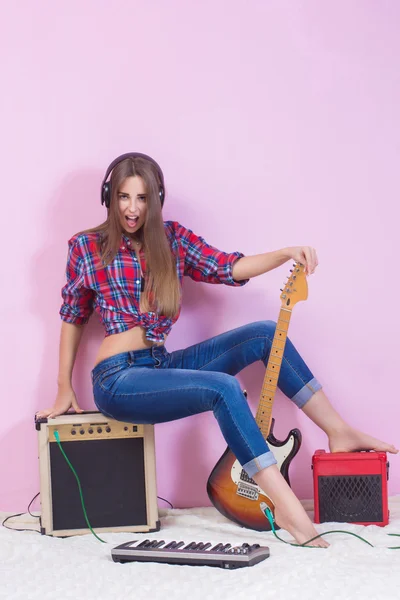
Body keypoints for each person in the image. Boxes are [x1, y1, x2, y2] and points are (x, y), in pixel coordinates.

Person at [36, 152, 398, 547]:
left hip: (160, 363)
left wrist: (283, 254)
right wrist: (63, 388)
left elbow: (227, 267)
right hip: (118, 379)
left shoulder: (171, 240)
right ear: (109, 196)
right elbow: (72, 316)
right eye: (124, 197)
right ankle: (286, 507)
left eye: (143, 198)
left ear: (156, 199)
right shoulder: (87, 247)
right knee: (223, 387)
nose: (133, 209)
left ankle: (338, 431)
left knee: (263, 333)